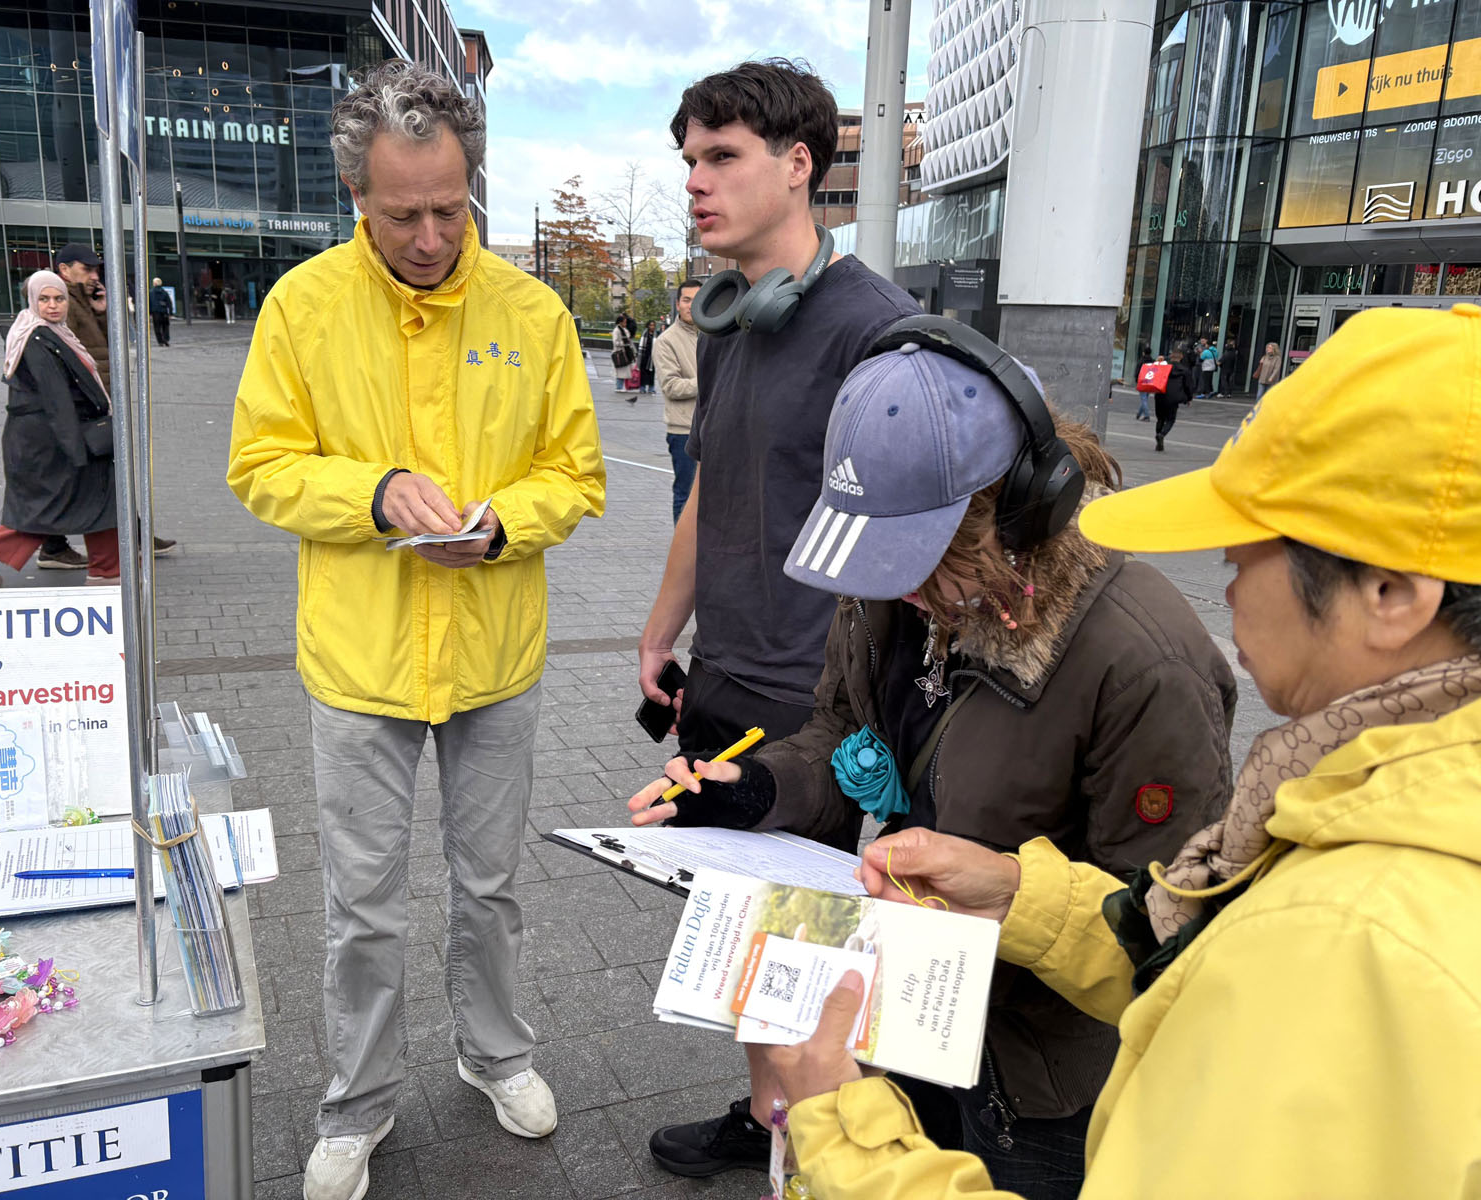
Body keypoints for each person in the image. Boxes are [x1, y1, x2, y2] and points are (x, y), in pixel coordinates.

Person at [762, 301, 1481, 1200]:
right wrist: (1020, 895)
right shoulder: (1379, 813)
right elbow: (1202, 958)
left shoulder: (1348, 936)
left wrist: (841, 1127)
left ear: (1392, 595)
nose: (1225, 582)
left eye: (1245, 549)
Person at [629, 319, 1236, 1197]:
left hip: (1034, 1076)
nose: (900, 587)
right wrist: (752, 787)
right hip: (901, 1009)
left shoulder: (1143, 661)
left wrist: (1005, 900)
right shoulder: (890, 593)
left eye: (927, 556)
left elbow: (1163, 925)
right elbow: (840, 737)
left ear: (1021, 508)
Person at [227, 60, 605, 1200]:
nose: (432, 237)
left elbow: (575, 474)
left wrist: (504, 527)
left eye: (450, 208)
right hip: (361, 659)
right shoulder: (303, 306)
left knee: (490, 886)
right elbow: (260, 464)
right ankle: (357, 1103)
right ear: (357, 194)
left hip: (494, 654)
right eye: (403, 215)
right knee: (361, 906)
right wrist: (375, 493)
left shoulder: (533, 313)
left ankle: (496, 1053)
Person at [635, 58, 939, 1177]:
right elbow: (710, 487)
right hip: (724, 671)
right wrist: (661, 632)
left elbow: (925, 527)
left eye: (722, 157)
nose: (696, 182)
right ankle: (772, 1111)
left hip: (813, 698)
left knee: (797, 937)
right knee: (738, 922)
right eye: (689, 160)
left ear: (799, 163)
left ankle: (819, 1138)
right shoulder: (728, 321)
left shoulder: (879, 329)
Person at [0, 271, 120, 587]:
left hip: (51, 435)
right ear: (32, 301)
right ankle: (104, 571)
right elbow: (56, 397)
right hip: (52, 438)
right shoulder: (36, 338)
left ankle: (105, 569)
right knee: (77, 499)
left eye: (59, 298)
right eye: (44, 299)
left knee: (80, 499)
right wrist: (76, 450)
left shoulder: (51, 333)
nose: (52, 305)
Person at [46, 244, 175, 566]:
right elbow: (67, 352)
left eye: (96, 269)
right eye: (86, 269)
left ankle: (127, 538)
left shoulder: (83, 301)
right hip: (83, 404)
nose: (94, 275)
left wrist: (102, 311)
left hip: (97, 399)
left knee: (98, 475)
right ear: (65, 270)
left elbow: (106, 346)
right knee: (90, 476)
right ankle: (31, 545)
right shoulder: (60, 301)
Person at [655, 278, 702, 522]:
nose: (691, 305)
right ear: (677, 304)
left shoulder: (714, 334)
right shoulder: (666, 341)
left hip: (714, 428)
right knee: (686, 494)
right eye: (686, 300)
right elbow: (671, 386)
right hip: (684, 430)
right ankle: (682, 545)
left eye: (697, 299)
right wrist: (711, 380)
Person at [1154, 349, 1194, 452]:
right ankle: (1162, 434)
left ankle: (1158, 437)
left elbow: (1153, 373)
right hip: (1174, 397)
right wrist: (1189, 398)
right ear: (1181, 357)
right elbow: (1188, 386)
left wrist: (1158, 361)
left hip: (1160, 395)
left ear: (1171, 356)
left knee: (1160, 419)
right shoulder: (1185, 371)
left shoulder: (1164, 367)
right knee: (1170, 419)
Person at [612, 313, 637, 398]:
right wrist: (624, 343)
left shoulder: (624, 330)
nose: (625, 323)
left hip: (625, 353)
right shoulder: (617, 330)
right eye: (624, 322)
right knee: (620, 371)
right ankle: (619, 387)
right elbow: (615, 342)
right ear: (620, 322)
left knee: (624, 371)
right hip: (620, 353)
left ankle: (620, 386)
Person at [149, 277, 172, 347]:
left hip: (155, 313)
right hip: (164, 312)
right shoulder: (164, 292)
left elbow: (149, 303)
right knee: (165, 327)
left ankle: (160, 341)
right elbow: (169, 303)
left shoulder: (151, 292)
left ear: (154, 284)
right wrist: (170, 313)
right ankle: (166, 339)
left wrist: (150, 312)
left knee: (157, 327)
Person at [638, 318, 658, 392]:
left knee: (651, 373)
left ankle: (651, 388)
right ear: (648, 326)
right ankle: (642, 387)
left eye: (653, 325)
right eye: (651, 325)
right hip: (644, 356)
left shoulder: (656, 334)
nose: (652, 327)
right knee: (643, 372)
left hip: (652, 357)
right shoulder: (644, 334)